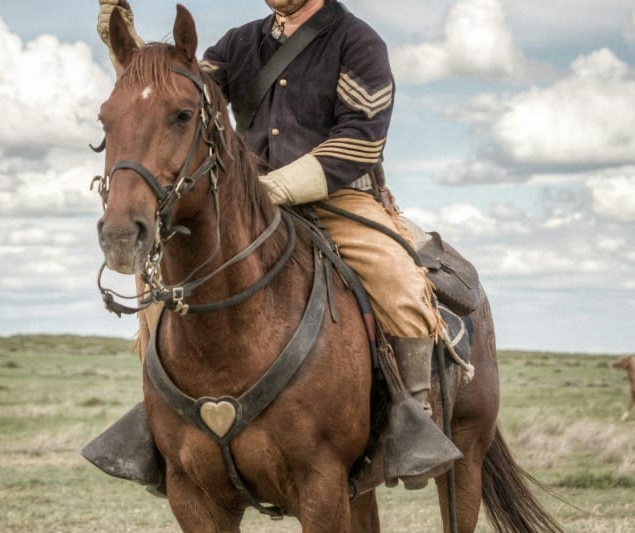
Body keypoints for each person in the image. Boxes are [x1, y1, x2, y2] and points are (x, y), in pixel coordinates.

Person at [91, 0, 461, 491]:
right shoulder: (241, 44)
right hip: (248, 201)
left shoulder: (357, 41)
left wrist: (284, 185)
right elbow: (171, 93)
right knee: (164, 284)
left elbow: (361, 139)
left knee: (397, 275)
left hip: (338, 196)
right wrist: (126, 52)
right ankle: (160, 413)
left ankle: (413, 414)